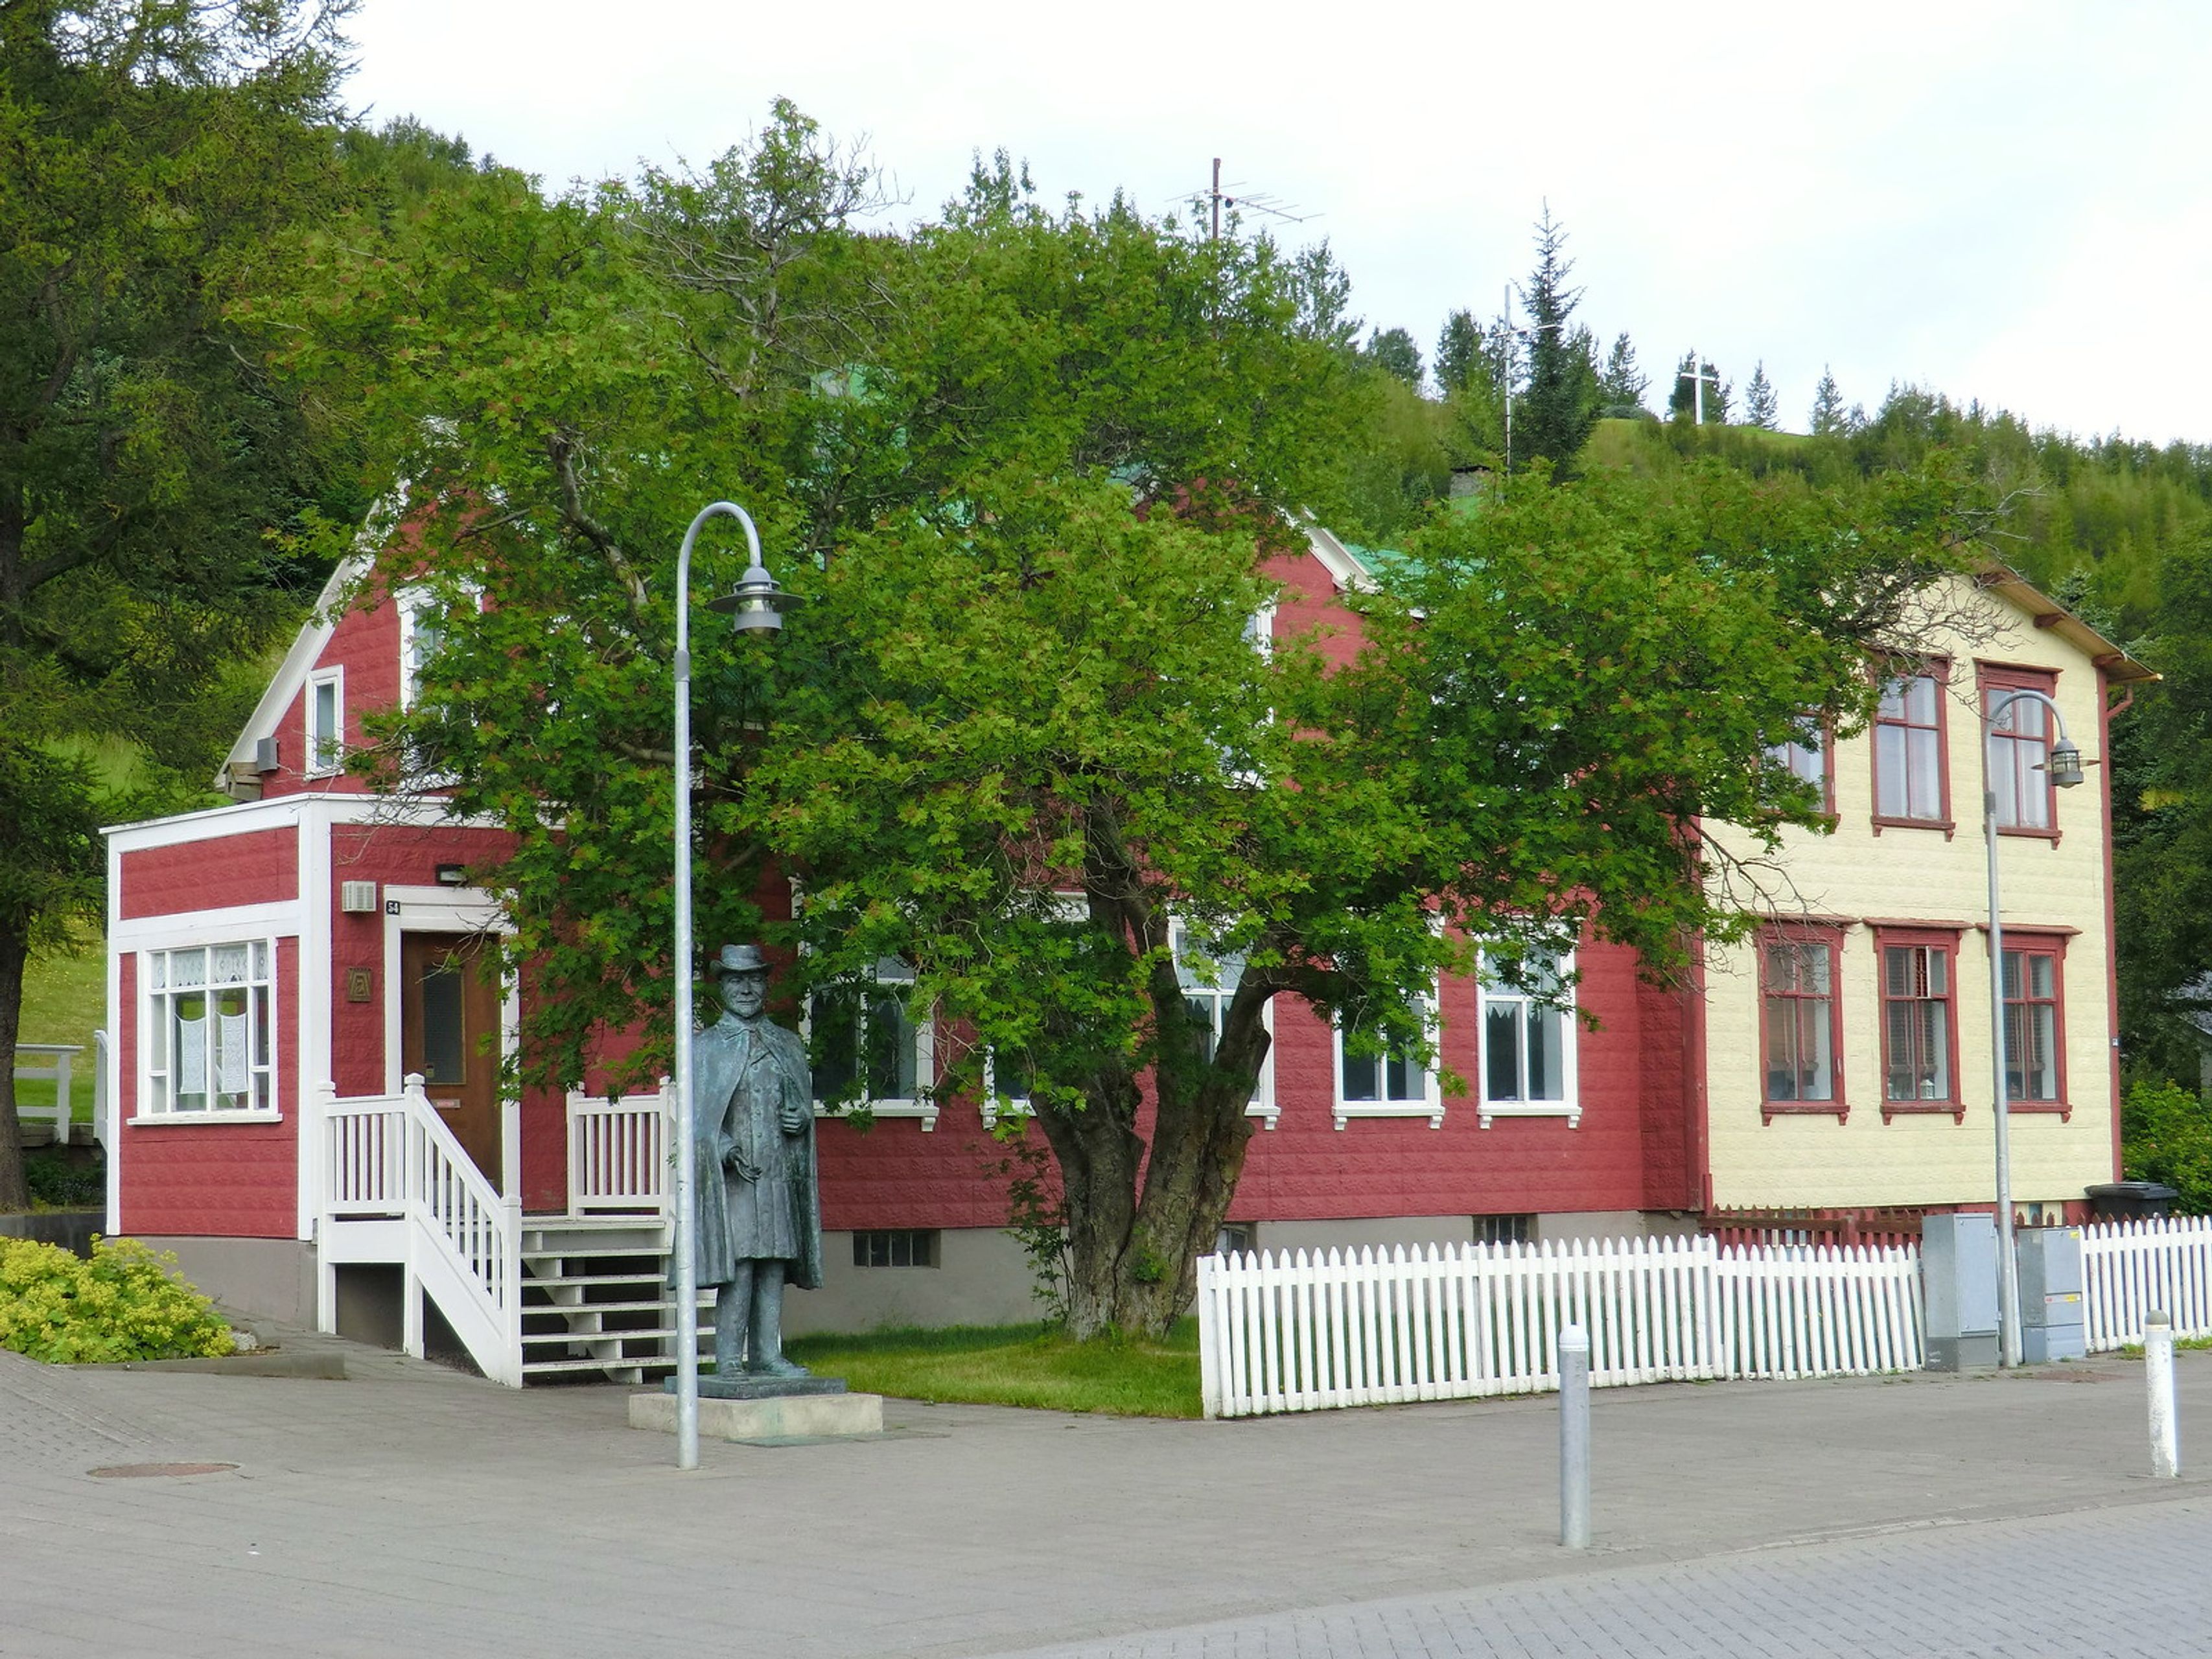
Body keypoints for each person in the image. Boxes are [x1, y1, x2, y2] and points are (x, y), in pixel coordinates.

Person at [689, 943, 822, 1378]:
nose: (746, 988)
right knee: (740, 1267)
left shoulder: (786, 1043)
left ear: (765, 985)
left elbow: (800, 1105)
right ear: (722, 987)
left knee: (772, 1265)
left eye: (754, 979)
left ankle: (767, 1354)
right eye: (736, 980)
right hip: (733, 1178)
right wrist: (724, 1147)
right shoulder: (705, 1047)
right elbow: (695, 1116)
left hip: (779, 1174)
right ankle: (728, 1358)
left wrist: (800, 1119)